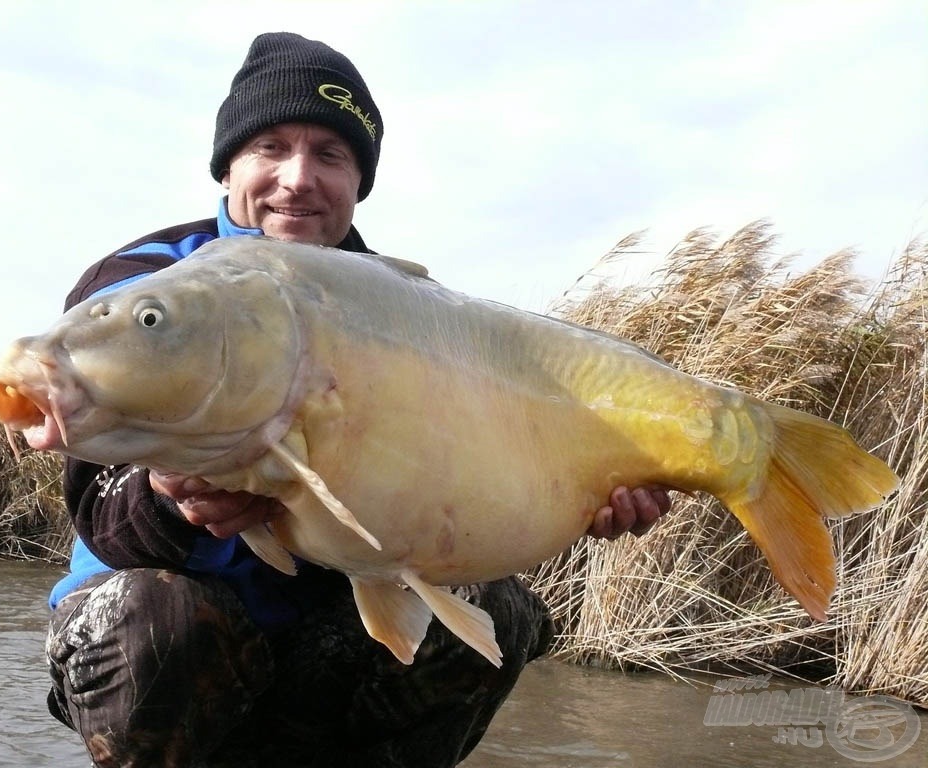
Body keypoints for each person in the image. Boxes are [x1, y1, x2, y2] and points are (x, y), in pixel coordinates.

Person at [45, 32, 671, 768]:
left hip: (323, 635)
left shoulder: (405, 305)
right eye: (271, 147)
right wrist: (168, 499)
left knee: (498, 610)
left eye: (330, 155)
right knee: (160, 618)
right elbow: (100, 507)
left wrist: (578, 490)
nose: (298, 178)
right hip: (163, 636)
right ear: (228, 166)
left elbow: (469, 472)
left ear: (358, 180)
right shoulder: (149, 283)